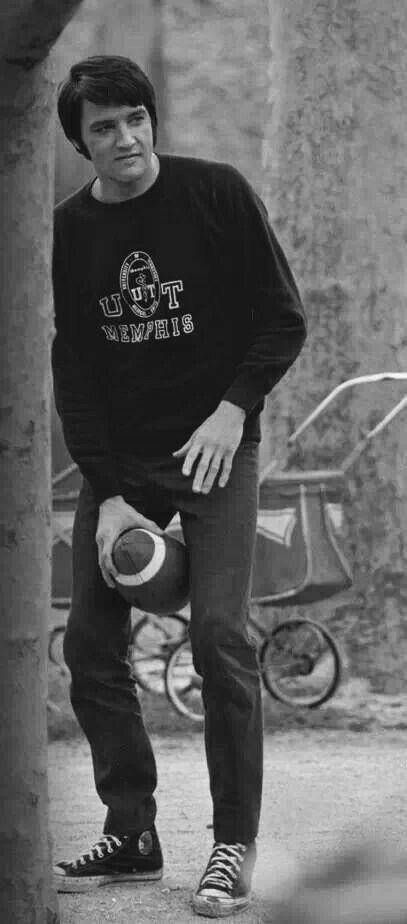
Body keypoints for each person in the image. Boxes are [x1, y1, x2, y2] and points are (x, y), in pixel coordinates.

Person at [51, 54, 307, 918]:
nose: (125, 137)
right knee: (90, 645)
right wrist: (108, 491)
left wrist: (233, 412)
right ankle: (131, 831)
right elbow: (75, 367)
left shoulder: (215, 193)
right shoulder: (70, 231)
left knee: (219, 636)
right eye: (104, 128)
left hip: (214, 451)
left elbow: (282, 319)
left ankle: (232, 843)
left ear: (151, 117)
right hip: (123, 465)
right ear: (82, 143)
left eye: (135, 118)